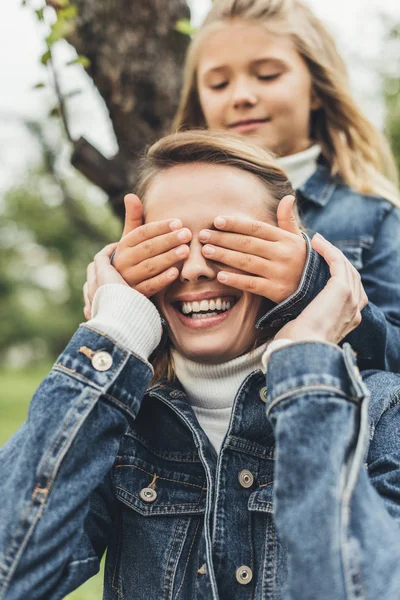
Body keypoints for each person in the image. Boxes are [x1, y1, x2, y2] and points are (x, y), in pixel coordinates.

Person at [1, 131, 400, 600]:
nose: (192, 268)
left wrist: (306, 355)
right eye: (166, 245)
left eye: (227, 241)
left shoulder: (381, 412)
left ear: (290, 252)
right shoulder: (118, 428)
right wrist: (116, 331)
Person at [167, 0, 400, 372]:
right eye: (219, 83)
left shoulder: (372, 215)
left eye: (268, 75)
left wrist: (311, 284)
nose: (241, 96)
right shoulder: (169, 207)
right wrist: (119, 288)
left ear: (317, 89)